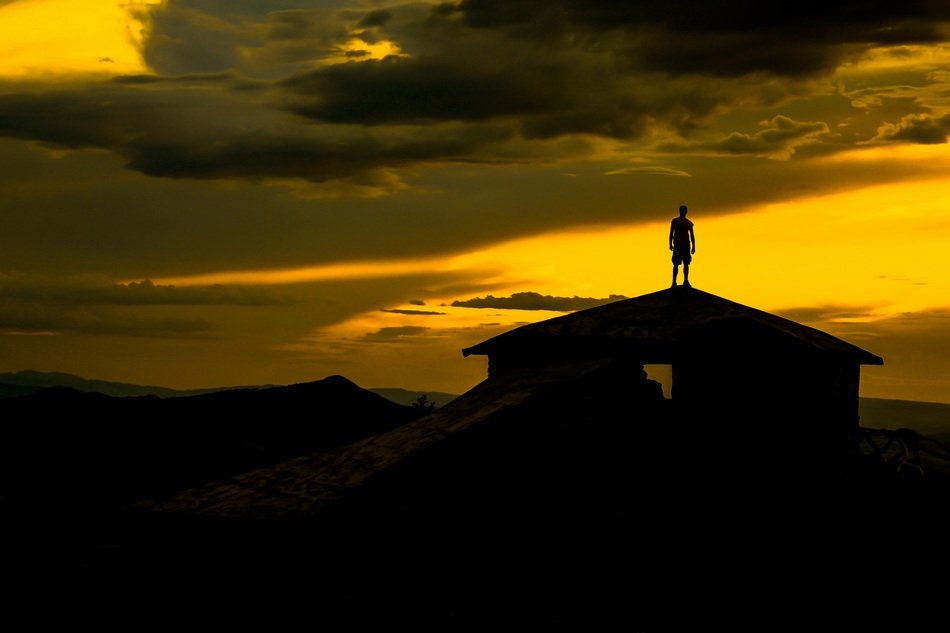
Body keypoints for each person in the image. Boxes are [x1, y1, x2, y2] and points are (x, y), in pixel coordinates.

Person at [669, 204, 696, 287]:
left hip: (678, 243)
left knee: (676, 264)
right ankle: (685, 280)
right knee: (686, 263)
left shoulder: (675, 221)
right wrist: (693, 246)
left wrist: (670, 243)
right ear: (686, 212)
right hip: (685, 244)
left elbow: (671, 233)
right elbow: (692, 235)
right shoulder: (688, 223)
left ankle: (674, 282)